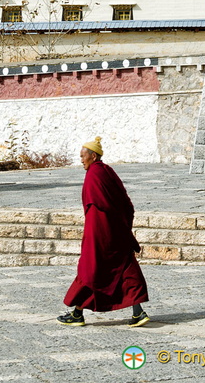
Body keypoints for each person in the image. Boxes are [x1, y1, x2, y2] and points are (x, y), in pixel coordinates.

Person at [57, 136, 149, 328]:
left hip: (99, 232)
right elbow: (124, 202)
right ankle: (138, 312)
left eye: (83, 156)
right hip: (116, 230)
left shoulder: (93, 175)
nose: (81, 160)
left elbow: (100, 206)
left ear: (93, 156)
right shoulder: (107, 171)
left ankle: (77, 314)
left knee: (89, 270)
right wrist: (123, 226)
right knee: (125, 269)